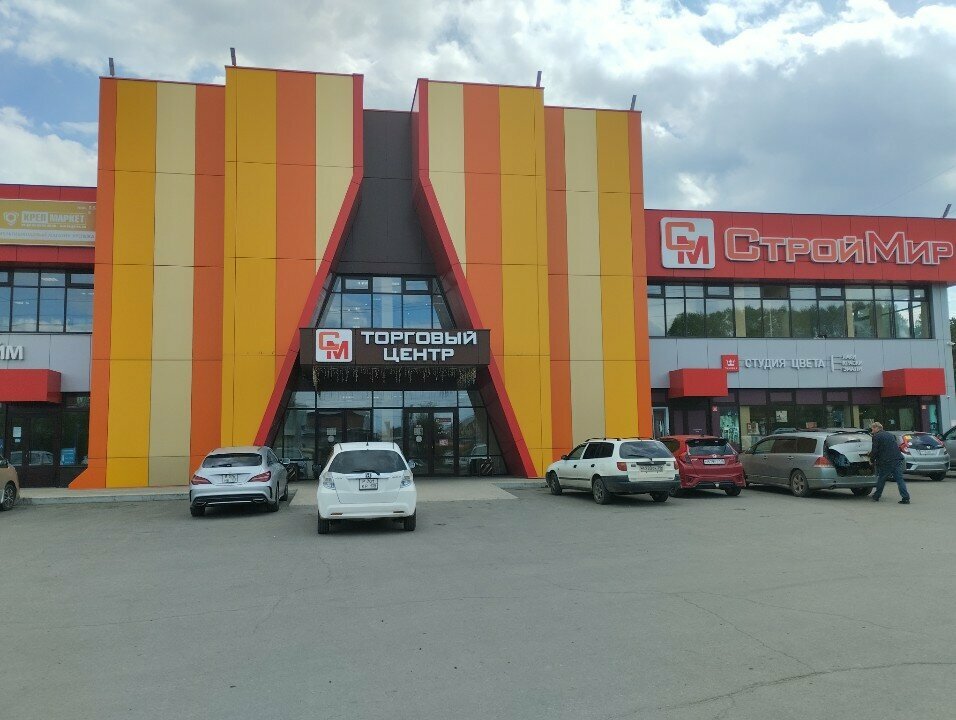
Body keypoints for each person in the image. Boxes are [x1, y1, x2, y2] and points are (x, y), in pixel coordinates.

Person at [869, 422, 910, 504]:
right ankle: (905, 497)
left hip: (886, 461)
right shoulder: (890, 435)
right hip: (897, 459)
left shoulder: (876, 436)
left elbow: (875, 450)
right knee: (899, 479)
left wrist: (871, 460)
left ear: (877, 428)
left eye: (872, 428)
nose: (872, 430)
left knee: (882, 478)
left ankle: (876, 496)